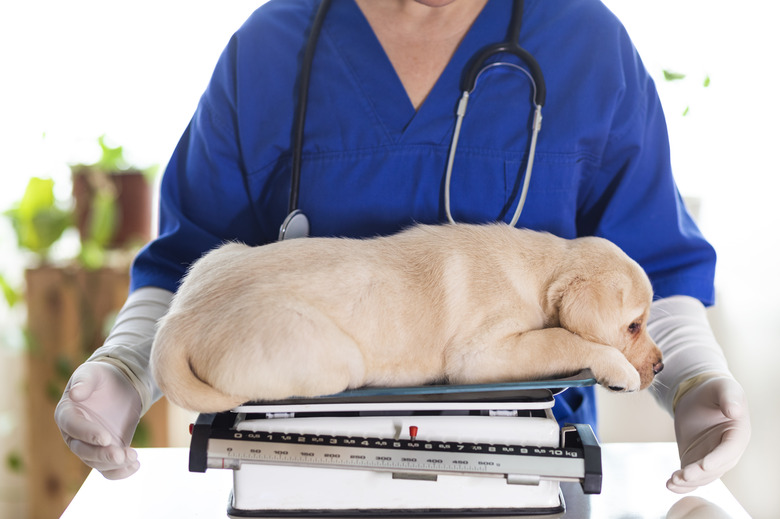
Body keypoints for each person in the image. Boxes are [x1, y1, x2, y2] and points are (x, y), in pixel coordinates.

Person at [54, 0, 750, 493]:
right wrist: (127, 367)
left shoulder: (587, 44)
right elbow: (191, 268)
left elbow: (651, 268)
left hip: (525, 477)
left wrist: (692, 378)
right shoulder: (269, 49)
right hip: (293, 479)